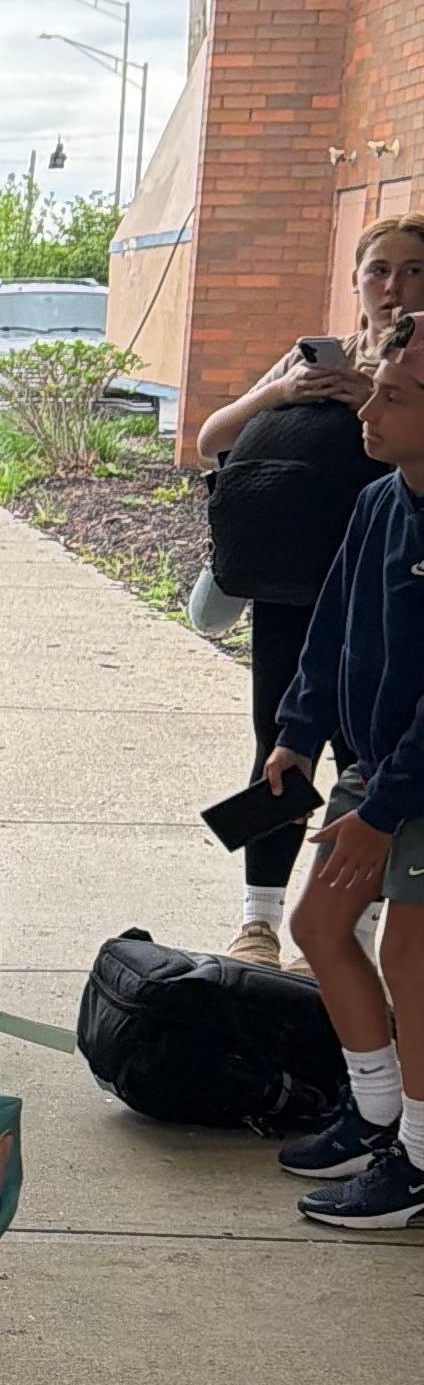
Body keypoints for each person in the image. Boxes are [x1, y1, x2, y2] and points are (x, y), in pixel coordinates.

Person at [190, 214, 423, 962]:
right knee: (280, 743)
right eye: (378, 269)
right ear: (354, 279)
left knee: (372, 750)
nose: (393, 286)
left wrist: (372, 393)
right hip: (295, 583)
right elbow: (210, 439)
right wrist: (283, 391)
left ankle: (351, 925)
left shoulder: (410, 367)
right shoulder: (309, 353)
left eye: (413, 270)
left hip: (388, 589)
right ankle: (257, 917)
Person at [267, 323, 424, 1228]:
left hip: (417, 785)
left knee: (413, 958)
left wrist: (386, 808)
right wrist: (299, 730)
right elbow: (331, 630)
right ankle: (377, 1116)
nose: (369, 408)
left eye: (395, 398)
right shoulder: (379, 503)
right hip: (375, 772)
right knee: (320, 924)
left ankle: (419, 1162)